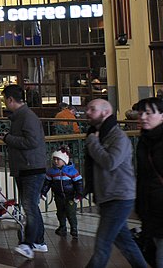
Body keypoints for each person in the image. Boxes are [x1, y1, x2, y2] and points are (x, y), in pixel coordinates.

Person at [83, 98, 148, 268]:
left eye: (92, 109)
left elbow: (110, 162)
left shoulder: (117, 136)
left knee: (102, 246)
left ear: (105, 112)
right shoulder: (98, 134)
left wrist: (93, 143)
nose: (87, 112)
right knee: (125, 243)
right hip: (108, 196)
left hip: (119, 196)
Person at [0, 84, 48, 259]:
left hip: (32, 168)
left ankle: (28, 244)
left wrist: (7, 138)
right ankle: (39, 242)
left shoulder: (27, 117)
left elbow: (32, 142)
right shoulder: (20, 117)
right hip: (25, 167)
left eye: (5, 100)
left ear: (11, 100)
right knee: (31, 206)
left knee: (29, 207)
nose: (5, 103)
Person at [134, 96, 163, 267]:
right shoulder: (144, 141)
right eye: (140, 113)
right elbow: (144, 176)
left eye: (149, 113)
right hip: (151, 209)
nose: (143, 117)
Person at [42, 147, 83, 238]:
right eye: (54, 159)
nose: (56, 161)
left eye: (58, 159)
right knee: (60, 213)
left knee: (71, 213)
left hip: (70, 197)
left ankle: (74, 229)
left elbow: (79, 184)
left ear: (64, 160)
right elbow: (47, 183)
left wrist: (79, 195)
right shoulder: (51, 171)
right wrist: (43, 192)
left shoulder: (72, 171)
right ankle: (62, 227)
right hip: (58, 196)